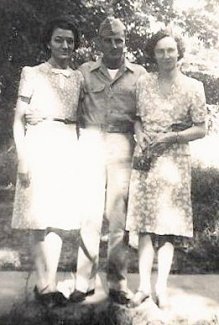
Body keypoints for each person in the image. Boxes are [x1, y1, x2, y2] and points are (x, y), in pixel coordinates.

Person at [69, 15, 147, 304]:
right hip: (91, 142)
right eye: (109, 40)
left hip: (122, 143)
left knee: (118, 218)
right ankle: (83, 282)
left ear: (125, 42)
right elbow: (71, 110)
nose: (115, 45)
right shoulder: (85, 72)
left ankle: (117, 285)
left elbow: (145, 115)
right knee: (89, 215)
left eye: (120, 40)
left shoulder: (139, 75)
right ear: (99, 43)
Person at [126, 30, 207, 308]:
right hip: (147, 155)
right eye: (160, 51)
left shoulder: (193, 86)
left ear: (179, 52)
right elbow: (136, 118)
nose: (165, 56)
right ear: (153, 54)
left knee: (168, 226)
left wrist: (172, 137)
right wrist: (138, 134)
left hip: (174, 159)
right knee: (144, 226)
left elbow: (201, 128)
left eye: (170, 50)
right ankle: (144, 287)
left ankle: (161, 286)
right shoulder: (144, 82)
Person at [12, 16, 83, 307]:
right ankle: (43, 286)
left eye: (69, 40)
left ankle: (49, 285)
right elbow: (18, 119)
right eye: (59, 39)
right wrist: (22, 158)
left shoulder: (79, 77)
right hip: (39, 144)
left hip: (67, 145)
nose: (65, 45)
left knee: (58, 220)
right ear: (48, 42)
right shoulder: (33, 73)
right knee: (38, 219)